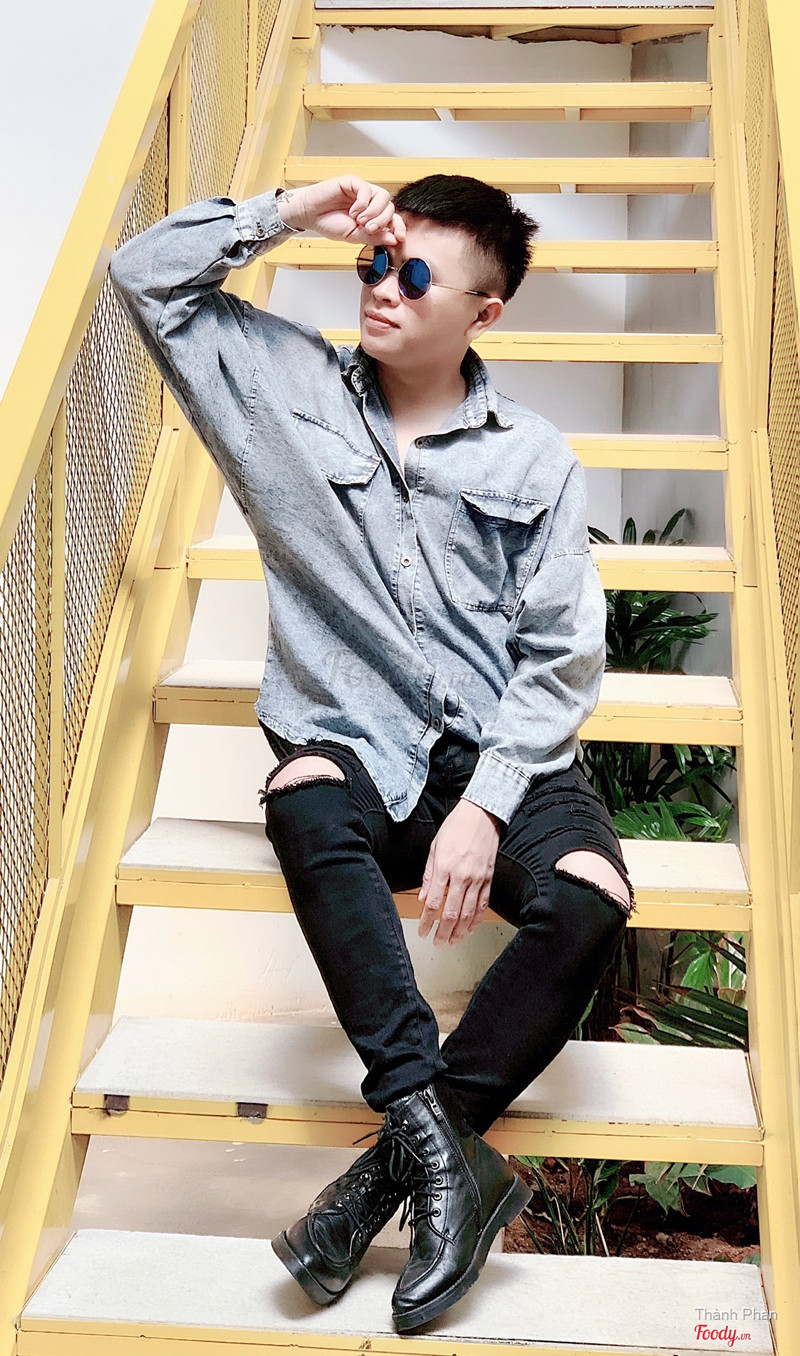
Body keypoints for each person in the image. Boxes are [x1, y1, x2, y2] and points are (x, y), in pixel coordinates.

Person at [109, 172, 636, 1333]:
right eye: (374, 264)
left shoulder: (533, 458)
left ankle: (383, 1178)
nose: (382, 288)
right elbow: (140, 275)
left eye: (414, 275)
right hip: (351, 743)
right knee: (302, 790)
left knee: (590, 894)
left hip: (502, 751)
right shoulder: (275, 386)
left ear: (484, 312)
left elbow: (560, 656)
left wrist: (485, 805)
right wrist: (297, 209)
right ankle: (442, 1150)